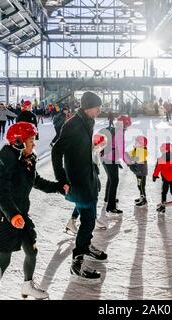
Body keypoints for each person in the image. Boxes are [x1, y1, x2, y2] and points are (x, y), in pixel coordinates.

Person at [0, 122, 65, 299]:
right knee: (2, 263)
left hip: (21, 214)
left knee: (31, 251)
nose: (34, 144)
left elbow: (36, 181)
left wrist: (58, 187)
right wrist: (12, 215)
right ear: (18, 143)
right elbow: (2, 193)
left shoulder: (29, 159)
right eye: (30, 140)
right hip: (5, 217)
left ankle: (27, 286)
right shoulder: (8, 161)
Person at [52, 91, 107, 283]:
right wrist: (61, 179)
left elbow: (81, 147)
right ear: (88, 107)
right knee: (88, 220)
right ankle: (78, 260)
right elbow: (56, 150)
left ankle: (86, 245)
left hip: (89, 176)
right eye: (97, 107)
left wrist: (93, 153)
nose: (100, 110)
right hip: (78, 180)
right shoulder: (73, 124)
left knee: (89, 218)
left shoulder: (87, 122)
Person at [65, 133, 109, 234]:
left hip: (91, 181)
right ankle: (77, 220)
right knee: (84, 201)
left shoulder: (93, 151)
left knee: (90, 200)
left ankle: (87, 218)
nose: (102, 148)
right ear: (96, 143)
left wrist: (96, 181)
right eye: (101, 145)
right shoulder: (86, 152)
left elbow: (95, 168)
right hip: (83, 182)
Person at [100, 115, 131, 215]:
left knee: (110, 179)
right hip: (110, 158)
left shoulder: (114, 129)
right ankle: (111, 206)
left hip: (104, 157)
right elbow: (121, 151)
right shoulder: (119, 133)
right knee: (114, 180)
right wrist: (129, 162)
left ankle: (108, 199)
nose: (127, 127)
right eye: (127, 124)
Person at [153, 143, 172, 214]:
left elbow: (157, 169)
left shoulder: (161, 160)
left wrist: (155, 176)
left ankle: (163, 206)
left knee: (164, 192)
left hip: (165, 179)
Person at [125, 135, 149, 207]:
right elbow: (130, 154)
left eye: (137, 143)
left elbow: (138, 159)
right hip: (138, 171)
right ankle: (141, 197)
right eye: (135, 142)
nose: (135, 143)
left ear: (142, 144)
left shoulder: (143, 151)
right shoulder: (136, 149)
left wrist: (131, 159)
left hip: (141, 172)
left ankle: (144, 199)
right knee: (139, 184)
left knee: (141, 185)